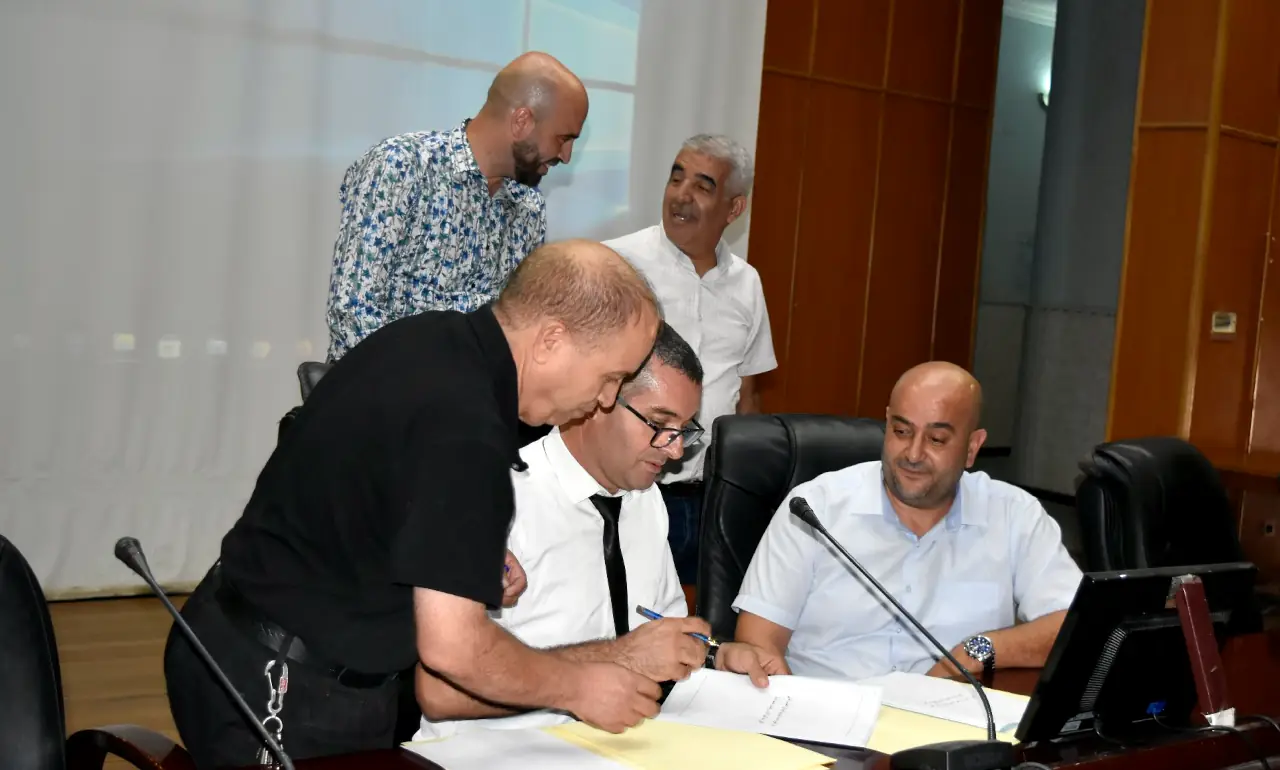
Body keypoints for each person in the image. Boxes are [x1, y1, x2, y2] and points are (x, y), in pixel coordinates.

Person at [165, 240, 662, 768]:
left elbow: (375, 492)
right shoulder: (466, 431)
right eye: (611, 377)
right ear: (551, 340)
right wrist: (578, 687)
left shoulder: (433, 339)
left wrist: (455, 556)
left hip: (232, 637)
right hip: (283, 686)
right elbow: (455, 650)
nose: (606, 399)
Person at [413, 322, 784, 740]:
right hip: (496, 752)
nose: (676, 449)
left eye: (684, 430)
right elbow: (438, 694)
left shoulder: (646, 498)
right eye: (659, 423)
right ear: (598, 400)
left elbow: (662, 634)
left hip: (617, 749)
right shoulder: (491, 495)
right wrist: (617, 658)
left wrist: (717, 657)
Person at [732, 362, 1083, 681]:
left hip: (954, 721)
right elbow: (757, 641)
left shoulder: (1013, 514)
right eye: (901, 431)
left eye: (936, 439)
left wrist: (976, 651)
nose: (913, 454)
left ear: (972, 448)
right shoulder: (814, 509)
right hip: (831, 717)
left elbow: (1079, 626)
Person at [325, 51, 589, 362]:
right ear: (521, 122)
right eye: (563, 138)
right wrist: (436, 383)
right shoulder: (401, 166)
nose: (566, 156)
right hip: (381, 383)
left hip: (473, 389)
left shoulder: (529, 207)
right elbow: (353, 312)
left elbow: (515, 328)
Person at [604, 134, 776, 585]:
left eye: (702, 186)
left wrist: (750, 492)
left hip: (713, 500)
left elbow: (748, 396)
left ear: (734, 209)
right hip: (633, 494)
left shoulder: (748, 283)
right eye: (676, 178)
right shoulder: (619, 263)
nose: (681, 195)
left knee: (702, 617)